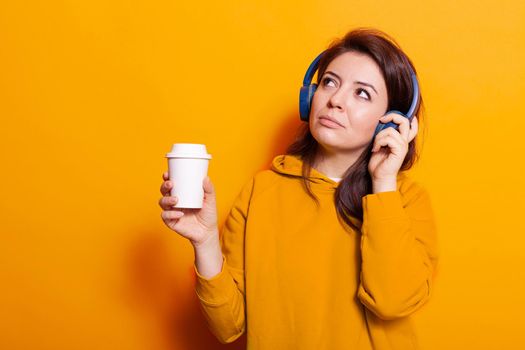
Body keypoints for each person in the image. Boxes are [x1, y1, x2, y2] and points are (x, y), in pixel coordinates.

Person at [158, 27, 439, 350]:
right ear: (309, 97)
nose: (335, 100)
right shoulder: (261, 191)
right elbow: (228, 327)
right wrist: (205, 241)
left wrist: (384, 185)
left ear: (391, 120)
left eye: (362, 93)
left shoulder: (406, 202)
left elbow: (393, 301)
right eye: (330, 82)